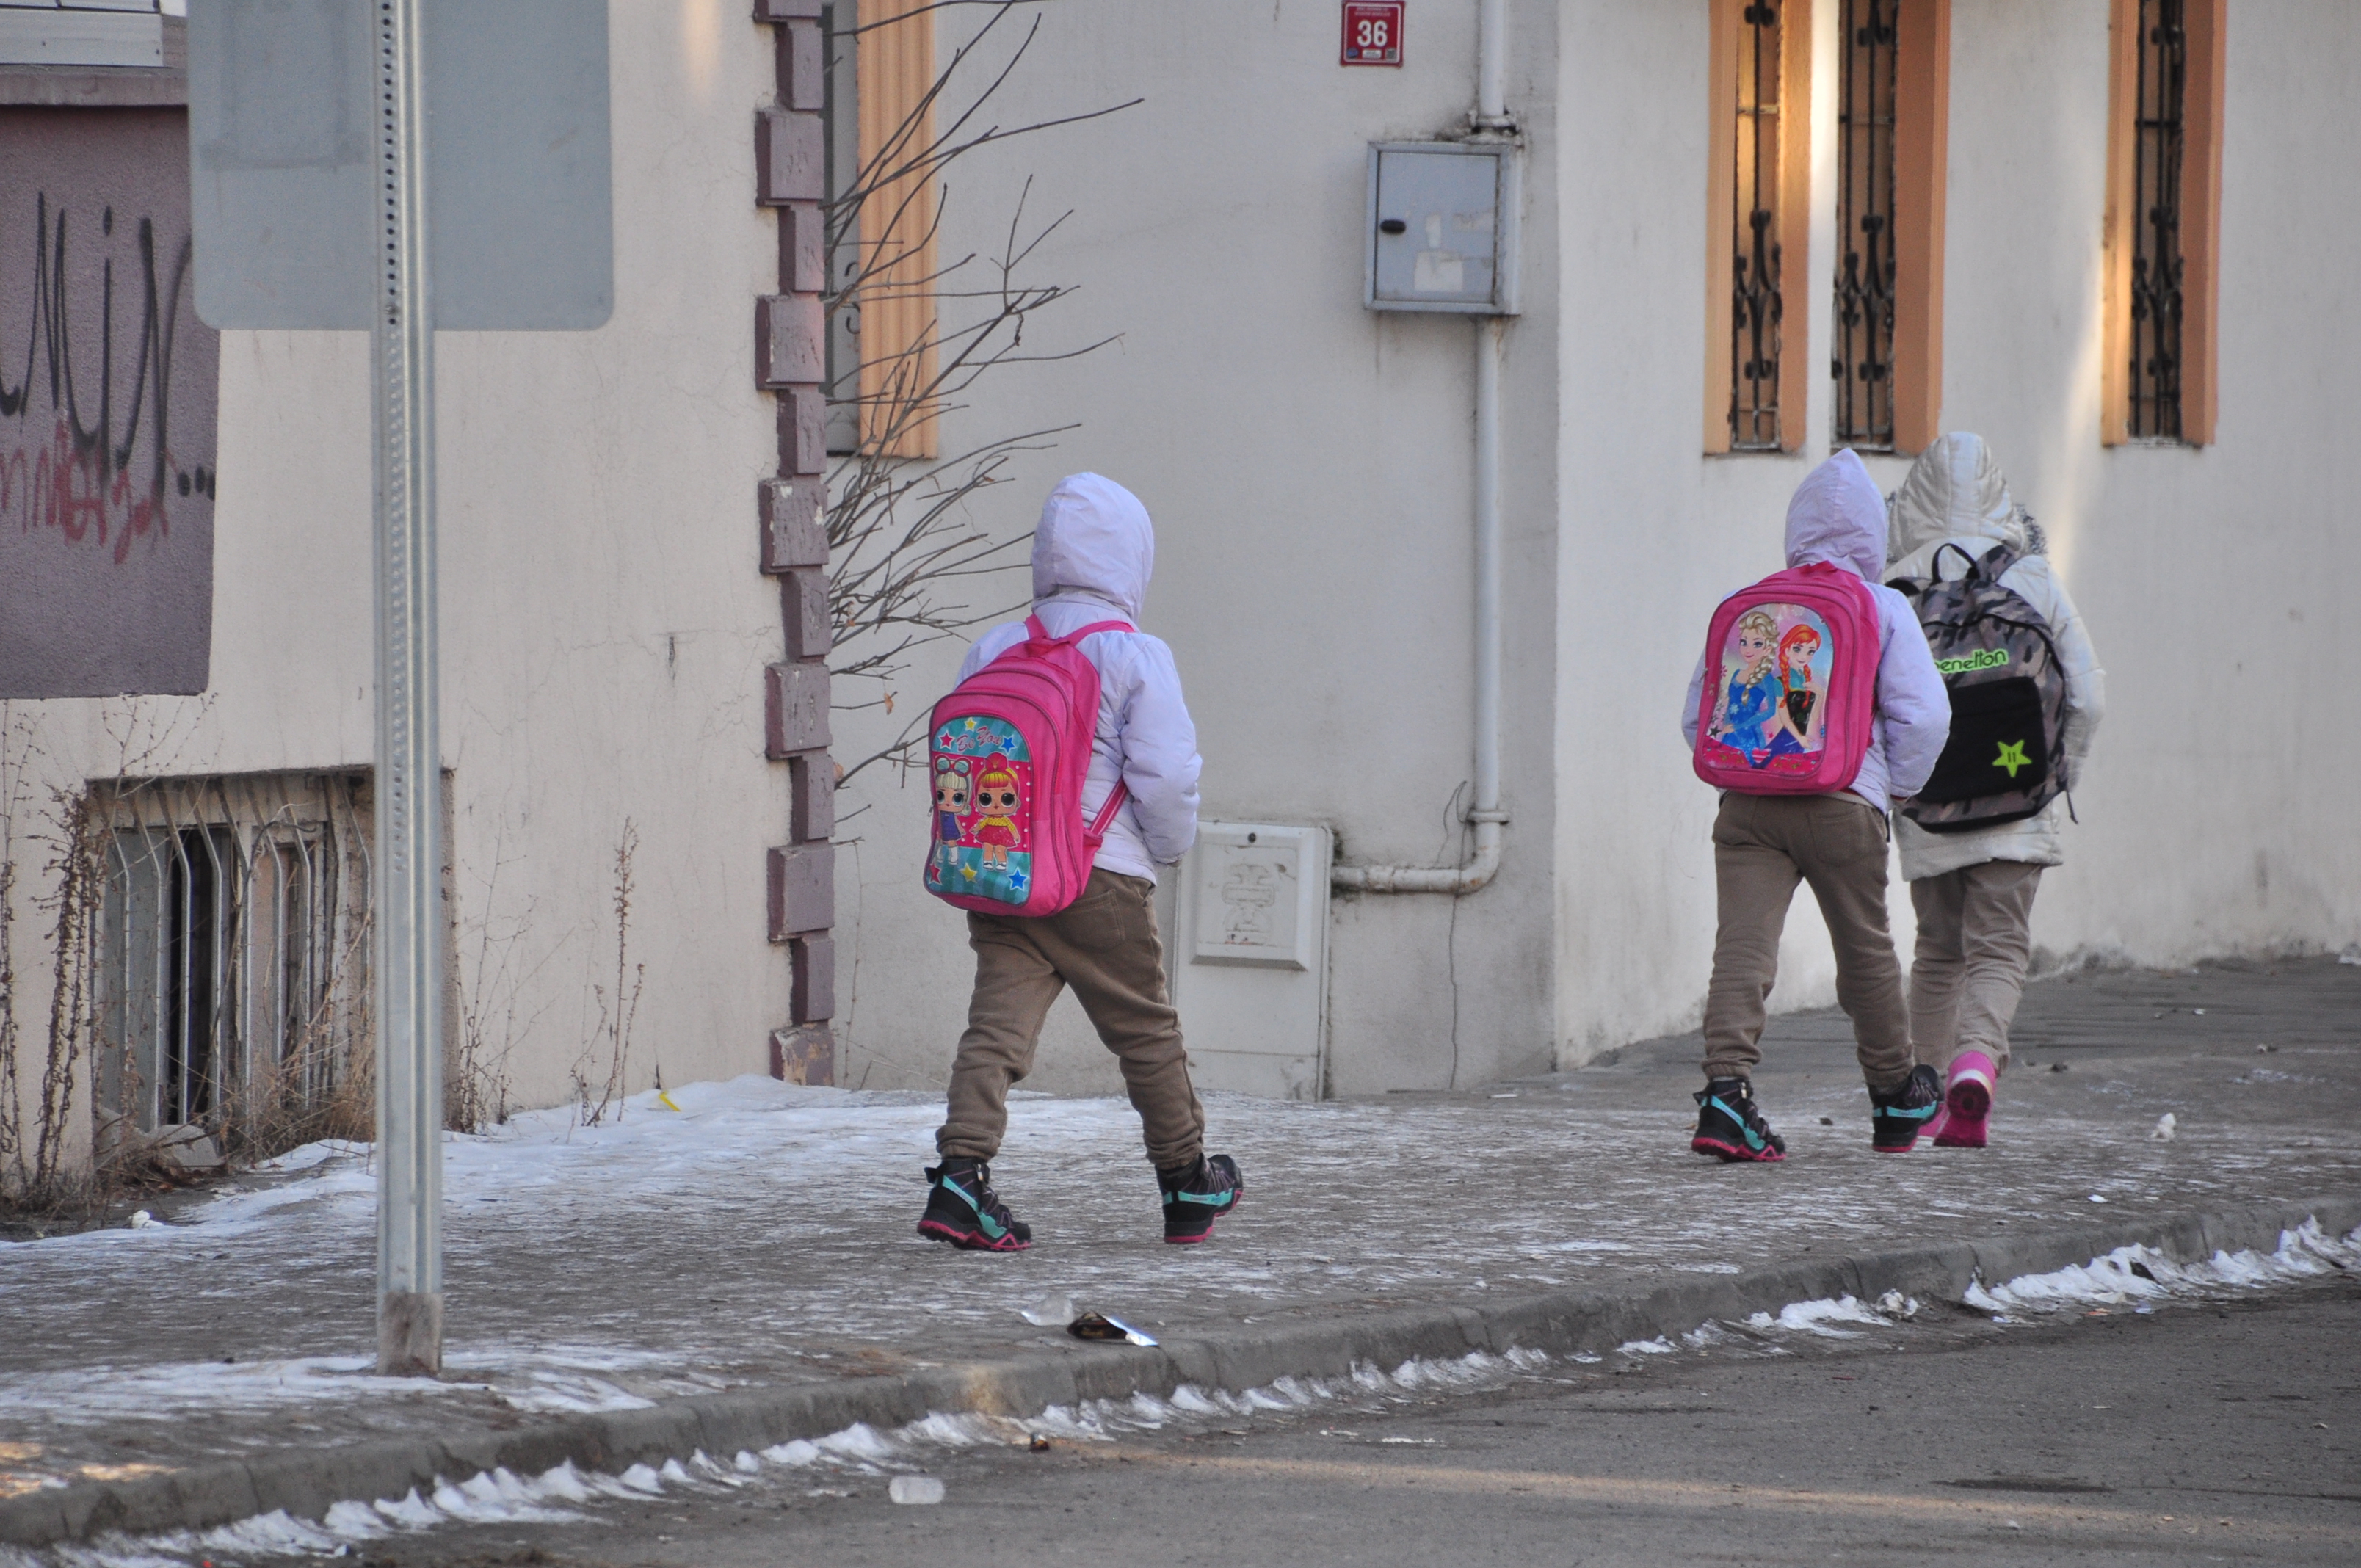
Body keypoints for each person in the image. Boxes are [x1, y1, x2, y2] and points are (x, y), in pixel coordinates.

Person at [918, 473, 1244, 1250]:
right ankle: (1186, 1181)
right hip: (1101, 877)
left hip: (1005, 875)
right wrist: (1164, 850)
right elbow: (1165, 775)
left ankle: (961, 1178)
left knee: (994, 1030)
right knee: (1146, 1032)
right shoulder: (1134, 654)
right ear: (1132, 562)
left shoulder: (995, 646)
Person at [1680, 449, 1952, 1161]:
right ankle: (1895, 1093)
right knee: (1865, 951)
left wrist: (1748, 774)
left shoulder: (1757, 603)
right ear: (1871, 535)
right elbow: (1923, 718)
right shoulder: (1883, 605)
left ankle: (1724, 1095)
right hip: (1842, 804)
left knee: (1741, 949)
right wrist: (1893, 788)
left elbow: (1697, 715)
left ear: (1795, 529)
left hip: (1749, 805)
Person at [1883, 432, 2106, 1148]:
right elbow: (2089, 693)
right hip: (2019, 804)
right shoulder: (2032, 577)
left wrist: (1894, 794)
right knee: (1999, 950)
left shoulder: (1895, 585)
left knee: (1938, 951)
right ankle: (1975, 1066)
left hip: (1931, 806)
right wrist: (2058, 771)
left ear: (1912, 500)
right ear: (1999, 494)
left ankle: (1920, 1087)